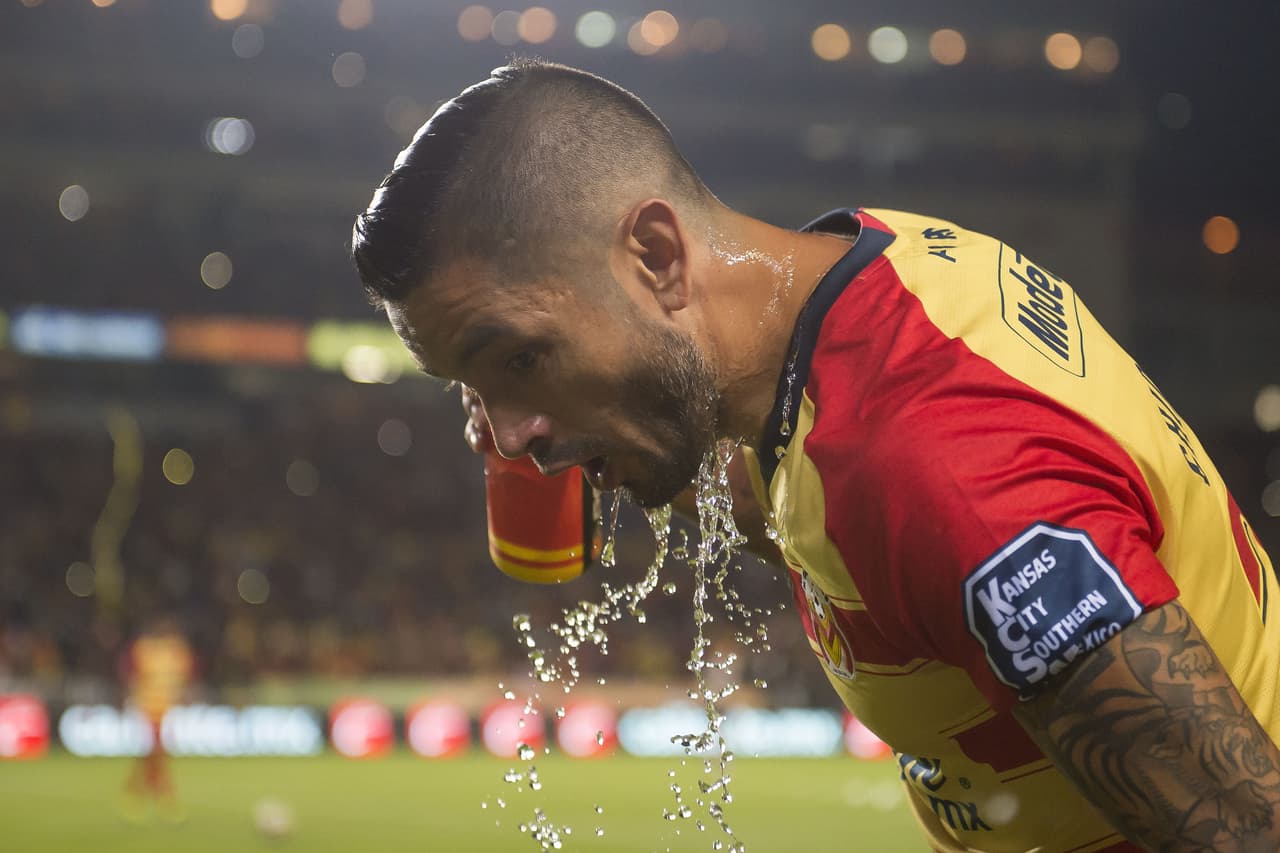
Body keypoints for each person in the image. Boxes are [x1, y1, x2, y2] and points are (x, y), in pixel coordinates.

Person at [351, 59, 1280, 852]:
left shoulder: (937, 464)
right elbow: (823, 514)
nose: (509, 436)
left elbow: (1242, 825)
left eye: (519, 358)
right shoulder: (859, 285)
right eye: (471, 392)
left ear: (656, 254)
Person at [120, 615, 194, 823]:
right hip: (147, 707)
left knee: (153, 754)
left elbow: (183, 678)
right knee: (156, 752)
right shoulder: (144, 649)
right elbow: (131, 674)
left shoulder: (175, 650)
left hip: (166, 709)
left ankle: (136, 794)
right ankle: (163, 798)